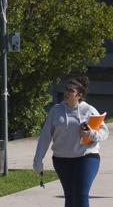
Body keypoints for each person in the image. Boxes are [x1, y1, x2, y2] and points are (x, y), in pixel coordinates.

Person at [33, 78, 107, 207]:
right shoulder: (56, 110)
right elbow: (45, 136)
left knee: (81, 195)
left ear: (79, 95)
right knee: (70, 197)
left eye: (71, 91)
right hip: (62, 160)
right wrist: (38, 160)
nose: (66, 93)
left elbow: (104, 132)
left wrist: (90, 133)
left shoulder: (89, 110)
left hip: (86, 157)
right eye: (66, 89)